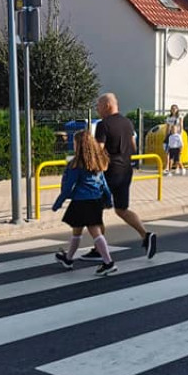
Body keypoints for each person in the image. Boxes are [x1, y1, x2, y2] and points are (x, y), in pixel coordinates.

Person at [79, 92, 157, 261]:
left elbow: (99, 150)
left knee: (93, 209)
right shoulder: (128, 123)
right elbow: (134, 146)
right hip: (126, 171)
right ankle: (146, 235)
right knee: (121, 209)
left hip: (108, 172)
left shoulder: (103, 125)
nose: (97, 109)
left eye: (98, 105)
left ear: (107, 105)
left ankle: (99, 250)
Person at [52, 130, 117, 276]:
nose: (73, 145)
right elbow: (103, 183)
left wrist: (58, 203)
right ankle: (68, 259)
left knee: (94, 232)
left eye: (74, 142)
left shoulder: (75, 164)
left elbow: (68, 187)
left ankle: (108, 262)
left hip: (81, 201)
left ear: (79, 145)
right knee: (77, 230)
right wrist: (108, 198)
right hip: (95, 200)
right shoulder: (97, 162)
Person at [164, 104, 185, 176]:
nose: (173, 110)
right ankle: (168, 168)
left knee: (177, 154)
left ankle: (178, 168)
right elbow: (167, 127)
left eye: (175, 108)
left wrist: (180, 135)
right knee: (169, 152)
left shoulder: (179, 117)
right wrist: (166, 136)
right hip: (170, 136)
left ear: (177, 109)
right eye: (172, 108)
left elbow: (181, 126)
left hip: (177, 135)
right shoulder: (169, 118)